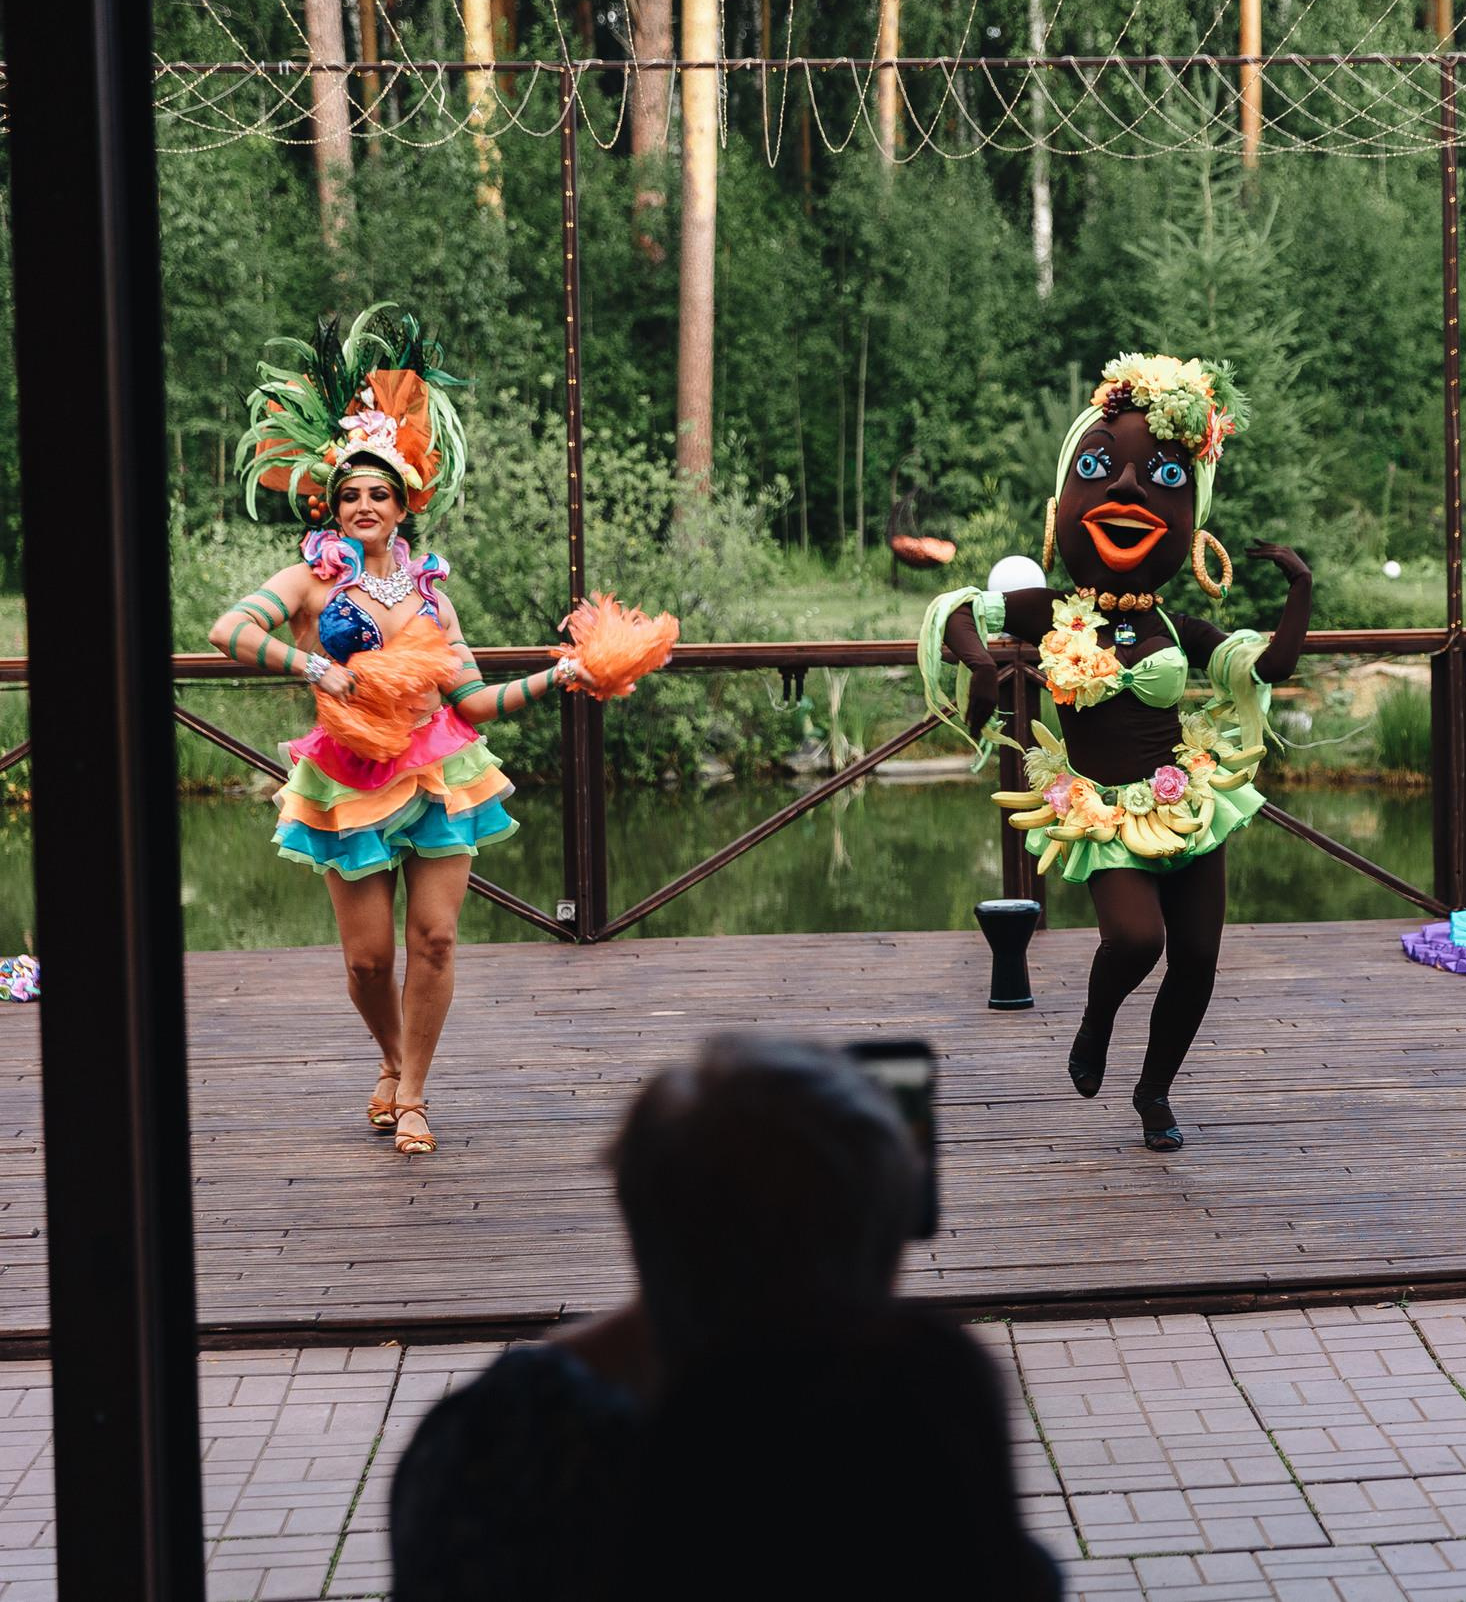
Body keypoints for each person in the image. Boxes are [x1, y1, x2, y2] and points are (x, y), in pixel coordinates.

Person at [391, 1035, 1059, 1602]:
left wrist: (548, 1366)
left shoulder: (501, 1444)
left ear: (645, 1220)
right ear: (873, 1246)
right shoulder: (916, 1418)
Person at [207, 309, 580, 1155]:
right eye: (351, 494)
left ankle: (413, 1094)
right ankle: (389, 1055)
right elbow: (228, 631)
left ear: (405, 502)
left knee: (436, 938)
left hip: (441, 777)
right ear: (332, 505)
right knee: (369, 959)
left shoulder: (433, 597)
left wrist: (556, 677)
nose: (365, 504)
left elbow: (475, 703)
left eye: (380, 492)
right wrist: (314, 667)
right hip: (347, 780)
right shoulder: (308, 580)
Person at [922, 354, 1312, 1151]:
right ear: (1063, 500)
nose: (1129, 491)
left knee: (1198, 959)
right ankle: (1097, 1022)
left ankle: (1155, 1092)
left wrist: (1300, 589)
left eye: (1161, 475)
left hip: (1185, 801)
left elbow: (1267, 664)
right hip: (1103, 810)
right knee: (1138, 939)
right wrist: (980, 660)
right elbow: (960, 605)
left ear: (1190, 518)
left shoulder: (1177, 628)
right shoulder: (1053, 610)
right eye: (1099, 469)